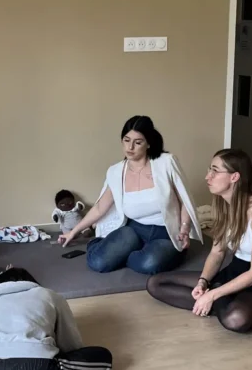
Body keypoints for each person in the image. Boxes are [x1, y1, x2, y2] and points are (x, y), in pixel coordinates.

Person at [147, 149, 252, 334]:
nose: (208, 176)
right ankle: (220, 300)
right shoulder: (225, 204)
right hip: (235, 271)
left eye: (215, 171)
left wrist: (213, 294)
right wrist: (202, 282)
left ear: (234, 177)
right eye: (210, 169)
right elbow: (217, 253)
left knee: (236, 319)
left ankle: (218, 301)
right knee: (155, 283)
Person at [59, 116, 202, 275]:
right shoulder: (115, 171)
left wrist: (184, 229)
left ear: (148, 143)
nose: (130, 147)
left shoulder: (166, 162)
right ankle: (114, 247)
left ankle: (146, 253)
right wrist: (73, 232)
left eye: (138, 142)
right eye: (126, 140)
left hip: (166, 232)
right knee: (98, 262)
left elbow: (185, 201)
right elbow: (100, 207)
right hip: (134, 230)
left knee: (149, 264)